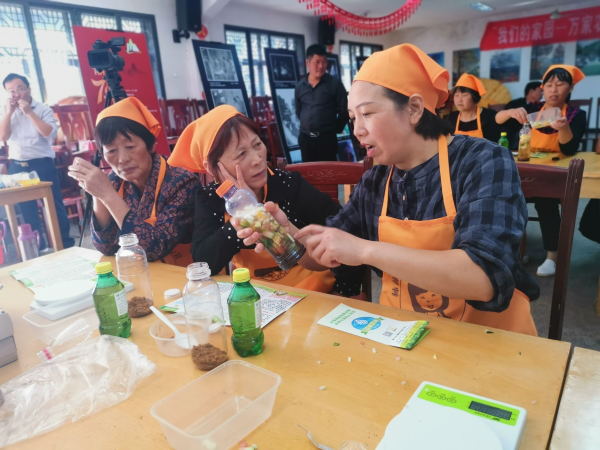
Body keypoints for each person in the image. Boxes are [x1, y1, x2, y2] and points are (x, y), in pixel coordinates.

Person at [237, 44, 539, 335]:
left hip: (488, 342)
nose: (357, 130)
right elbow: (323, 255)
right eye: (353, 118)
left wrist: (365, 250)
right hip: (406, 337)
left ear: (414, 109)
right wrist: (284, 233)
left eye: (367, 113)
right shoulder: (375, 182)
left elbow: (483, 277)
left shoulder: (482, 161)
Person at [168, 104, 353, 293]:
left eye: (257, 145)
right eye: (241, 154)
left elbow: (343, 228)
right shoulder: (210, 198)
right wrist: (237, 222)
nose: (257, 160)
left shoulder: (287, 184)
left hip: (312, 289)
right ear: (211, 167)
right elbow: (204, 262)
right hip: (256, 294)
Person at [67, 97, 199, 266]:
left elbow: (153, 247)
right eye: (112, 150)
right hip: (140, 273)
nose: (122, 159)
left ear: (151, 145)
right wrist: (97, 194)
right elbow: (106, 247)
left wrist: (108, 195)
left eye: (130, 147)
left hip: (186, 274)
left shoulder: (182, 183)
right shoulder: (113, 182)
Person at [496, 65, 586, 277]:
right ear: (543, 88)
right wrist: (510, 112)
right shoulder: (532, 109)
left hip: (554, 174)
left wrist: (563, 127)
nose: (554, 89)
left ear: (570, 88)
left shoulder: (576, 114)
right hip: (527, 170)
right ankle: (516, 251)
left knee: (546, 203)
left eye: (560, 84)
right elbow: (498, 120)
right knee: (506, 199)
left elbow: (569, 149)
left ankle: (552, 256)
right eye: (549, 84)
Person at [0, 73, 75, 250]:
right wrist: (9, 113)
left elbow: (47, 132)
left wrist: (29, 112)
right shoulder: (6, 110)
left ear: (28, 89)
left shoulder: (43, 109)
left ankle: (65, 244)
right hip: (18, 165)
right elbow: (3, 136)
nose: (16, 94)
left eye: (19, 89)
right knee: (27, 209)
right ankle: (37, 247)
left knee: (54, 205)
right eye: (11, 91)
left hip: (42, 163)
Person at [295, 44, 349, 162]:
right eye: (317, 62)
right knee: (308, 172)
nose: (321, 66)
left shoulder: (335, 84)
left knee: (328, 172)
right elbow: (299, 111)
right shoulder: (299, 86)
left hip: (326, 140)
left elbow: (344, 110)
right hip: (306, 139)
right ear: (308, 63)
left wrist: (335, 129)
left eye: (324, 61)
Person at [446, 74, 501, 143]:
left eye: (464, 95)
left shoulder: (488, 116)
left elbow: (499, 116)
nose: (459, 100)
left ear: (474, 97)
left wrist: (510, 112)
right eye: (456, 95)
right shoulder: (451, 118)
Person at [503, 81, 543, 149]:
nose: (543, 94)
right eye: (541, 91)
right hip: (514, 135)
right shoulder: (515, 104)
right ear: (531, 91)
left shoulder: (541, 107)